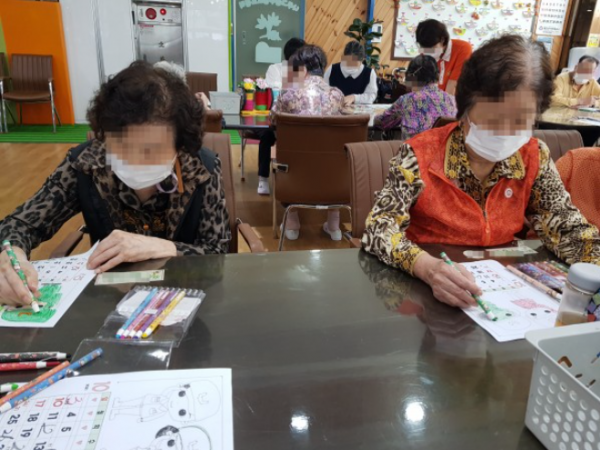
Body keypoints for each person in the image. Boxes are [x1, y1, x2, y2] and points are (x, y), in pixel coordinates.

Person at [362, 35, 600, 308]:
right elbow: (379, 228)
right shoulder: (420, 154)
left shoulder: (534, 157)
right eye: (493, 118)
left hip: (503, 292)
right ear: (465, 106)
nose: (506, 131)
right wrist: (426, 267)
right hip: (426, 293)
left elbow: (568, 230)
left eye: (521, 120)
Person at [0, 61, 231, 307]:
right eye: (120, 146)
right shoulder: (86, 164)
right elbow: (20, 224)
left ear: (179, 145)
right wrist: (12, 258)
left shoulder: (201, 170)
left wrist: (163, 247)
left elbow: (217, 253)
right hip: (108, 301)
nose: (133, 160)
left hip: (185, 297)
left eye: (151, 151)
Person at [272, 45, 346, 241]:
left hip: (297, 174)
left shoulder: (288, 95)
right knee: (335, 157)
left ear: (303, 69)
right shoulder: (338, 95)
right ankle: (334, 224)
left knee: (285, 154)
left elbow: (273, 121)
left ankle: (292, 223)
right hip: (333, 175)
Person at [257, 37, 306, 196]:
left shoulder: (304, 71)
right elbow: (274, 91)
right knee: (266, 135)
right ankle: (263, 178)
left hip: (298, 118)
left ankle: (299, 177)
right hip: (277, 117)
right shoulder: (275, 69)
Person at [374, 55, 456, 140]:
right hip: (444, 148)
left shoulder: (407, 100)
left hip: (414, 148)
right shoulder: (453, 101)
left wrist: (377, 115)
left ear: (410, 76)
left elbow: (381, 122)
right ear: (437, 76)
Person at [415, 19, 472, 96]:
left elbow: (453, 84)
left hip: (453, 99)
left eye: (432, 47)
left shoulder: (463, 48)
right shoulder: (424, 51)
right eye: (424, 48)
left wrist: (444, 103)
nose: (428, 51)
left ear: (442, 40)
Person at [324, 41, 378, 106]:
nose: (350, 66)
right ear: (344, 57)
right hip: (334, 110)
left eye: (354, 63)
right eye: (348, 61)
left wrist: (354, 98)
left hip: (359, 111)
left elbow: (371, 96)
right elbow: (323, 92)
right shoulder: (332, 69)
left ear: (362, 60)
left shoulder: (369, 73)